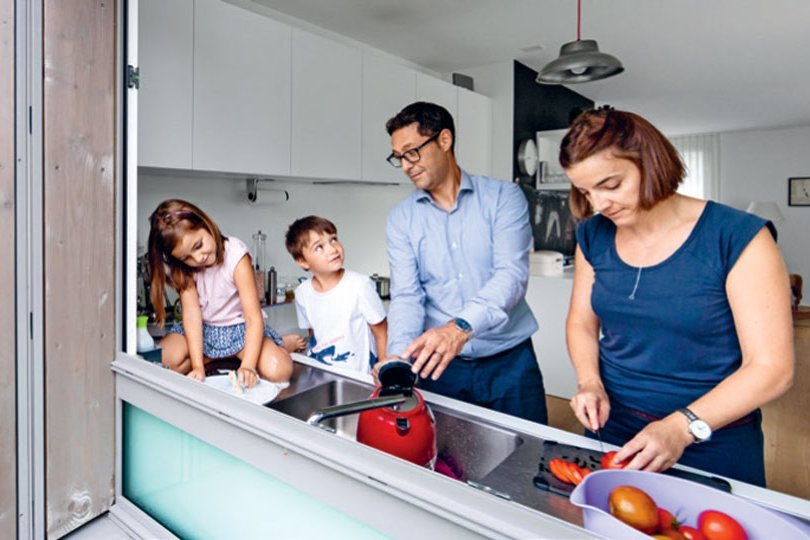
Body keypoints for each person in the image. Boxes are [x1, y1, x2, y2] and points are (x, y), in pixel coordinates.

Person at [562, 108, 794, 485]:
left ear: (650, 162)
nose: (599, 204)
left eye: (611, 184)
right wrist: (589, 382)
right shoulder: (593, 234)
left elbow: (772, 369)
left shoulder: (737, 236)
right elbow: (581, 323)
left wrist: (681, 427)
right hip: (613, 428)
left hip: (711, 435)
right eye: (586, 192)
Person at [382, 101, 548, 424]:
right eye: (398, 157)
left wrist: (459, 328)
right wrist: (398, 357)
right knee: (446, 453)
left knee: (528, 452)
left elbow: (511, 275)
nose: (405, 165)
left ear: (444, 140)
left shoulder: (503, 197)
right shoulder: (401, 219)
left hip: (510, 363)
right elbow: (407, 295)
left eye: (411, 152)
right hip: (440, 368)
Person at [147, 199, 293, 388]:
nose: (198, 258)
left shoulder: (236, 255)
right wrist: (198, 366)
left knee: (279, 370)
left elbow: (253, 317)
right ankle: (217, 358)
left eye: (198, 245)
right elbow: (192, 316)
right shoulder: (183, 269)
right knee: (161, 362)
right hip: (204, 331)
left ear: (205, 223)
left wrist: (249, 366)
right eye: (186, 257)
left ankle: (276, 345)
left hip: (240, 331)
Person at [285, 215, 387, 375]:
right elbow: (313, 333)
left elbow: (382, 332)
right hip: (322, 374)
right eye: (319, 247)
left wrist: (384, 371)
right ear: (302, 261)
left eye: (333, 239)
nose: (333, 249)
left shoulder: (360, 285)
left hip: (358, 376)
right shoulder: (302, 293)